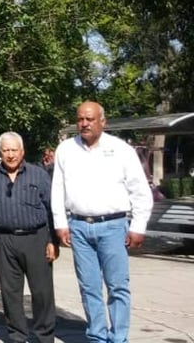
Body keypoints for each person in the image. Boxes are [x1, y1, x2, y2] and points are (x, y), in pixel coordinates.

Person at [51, 101, 154, 343]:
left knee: (117, 287)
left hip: (113, 227)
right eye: (80, 119)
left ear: (103, 121)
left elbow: (140, 191)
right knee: (89, 288)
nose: (84, 124)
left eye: (90, 119)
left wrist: (138, 226)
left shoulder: (121, 150)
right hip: (78, 227)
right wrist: (60, 223)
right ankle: (97, 336)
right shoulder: (66, 149)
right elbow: (57, 189)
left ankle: (118, 338)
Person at [0, 132, 56, 343]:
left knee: (42, 292)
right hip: (4, 239)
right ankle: (17, 336)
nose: (11, 154)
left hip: (36, 238)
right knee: (10, 293)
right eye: (6, 150)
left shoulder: (38, 174)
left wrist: (52, 241)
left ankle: (44, 336)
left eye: (14, 150)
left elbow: (51, 208)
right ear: (0, 152)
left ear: (22, 151)